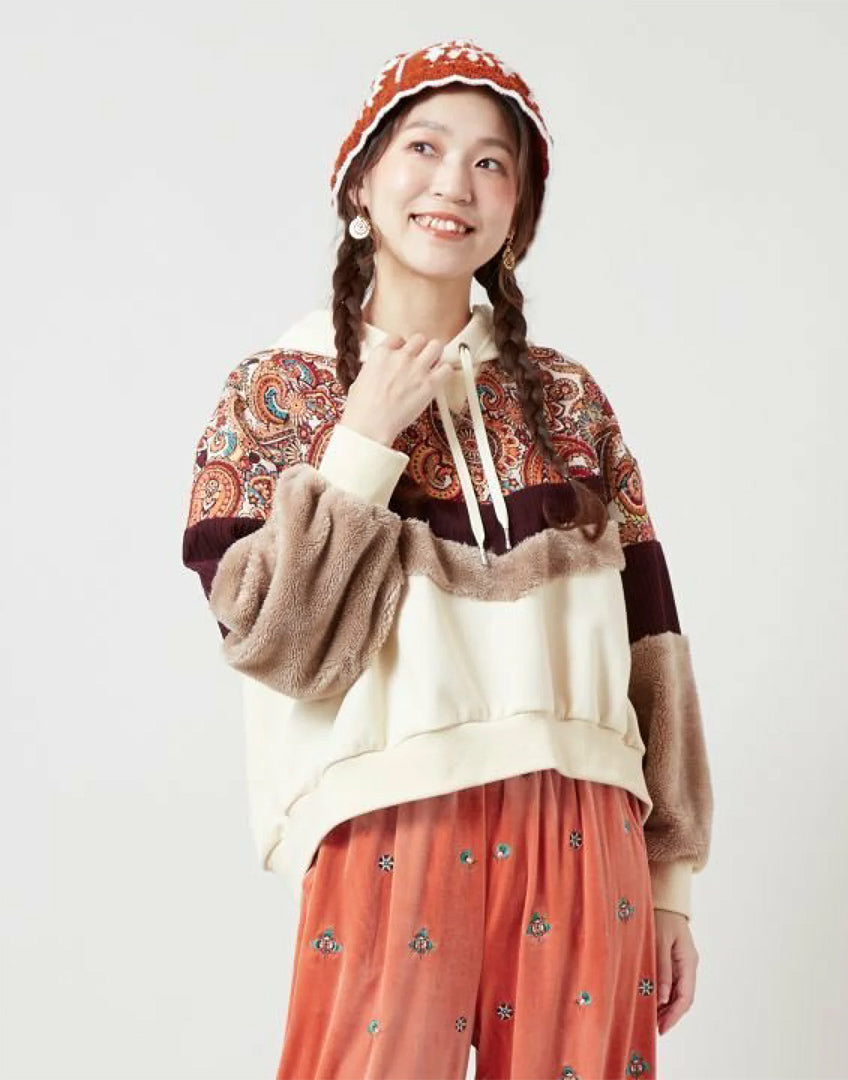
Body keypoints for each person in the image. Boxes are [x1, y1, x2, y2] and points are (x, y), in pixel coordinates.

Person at [182, 37, 713, 1080]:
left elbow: (654, 638)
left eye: (490, 162)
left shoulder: (570, 401)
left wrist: (671, 885)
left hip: (586, 819)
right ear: (362, 182)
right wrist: (362, 442)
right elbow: (277, 644)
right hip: (389, 815)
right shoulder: (275, 390)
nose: (454, 183)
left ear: (517, 210)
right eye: (424, 147)